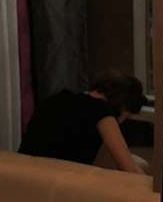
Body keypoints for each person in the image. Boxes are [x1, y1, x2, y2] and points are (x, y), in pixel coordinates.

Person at [19, 72, 147, 173]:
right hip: (54, 181)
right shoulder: (100, 110)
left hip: (23, 173)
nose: (119, 123)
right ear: (123, 105)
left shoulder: (56, 99)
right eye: (125, 117)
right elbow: (129, 168)